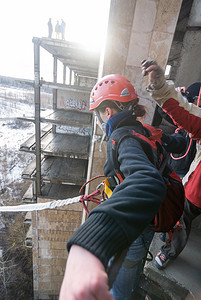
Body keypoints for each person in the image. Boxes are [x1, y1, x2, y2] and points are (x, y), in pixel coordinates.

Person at [59, 74, 186, 300]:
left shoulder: (123, 139)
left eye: (98, 113)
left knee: (120, 284)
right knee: (131, 266)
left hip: (140, 224)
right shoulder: (141, 128)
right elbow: (174, 144)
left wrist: (90, 241)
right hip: (152, 213)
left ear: (107, 112)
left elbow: (146, 180)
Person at [141, 60, 201, 269]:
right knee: (181, 213)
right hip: (192, 182)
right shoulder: (190, 123)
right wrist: (160, 87)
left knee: (181, 216)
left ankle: (170, 250)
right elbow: (184, 115)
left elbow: (185, 119)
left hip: (194, 186)